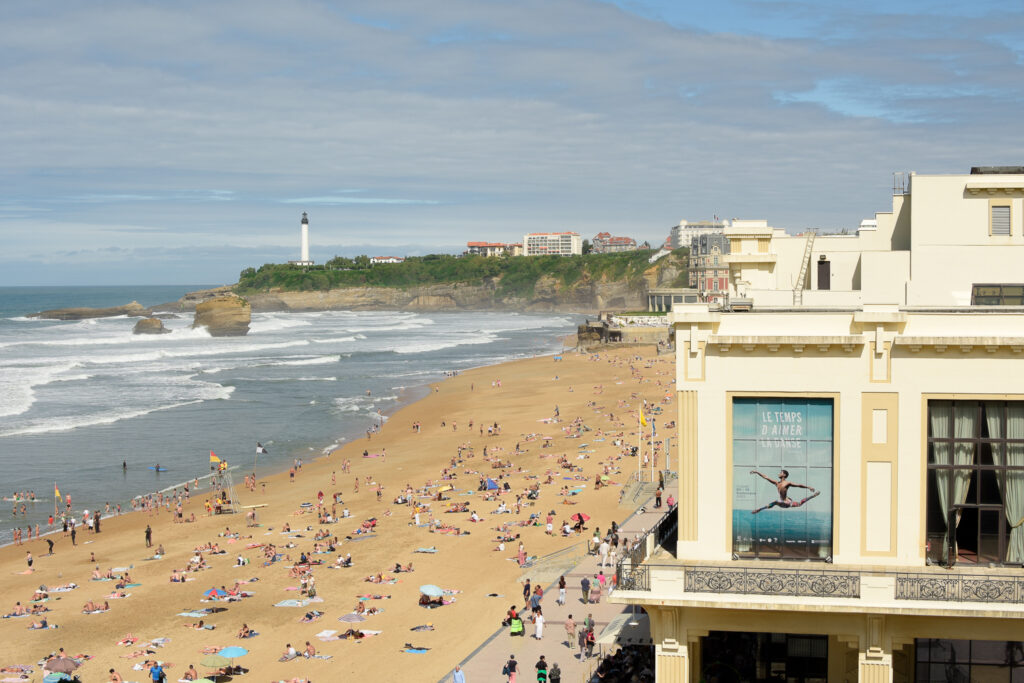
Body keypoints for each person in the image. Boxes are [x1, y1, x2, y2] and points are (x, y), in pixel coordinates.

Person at [750, 469, 819, 513]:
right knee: (776, 502)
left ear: (784, 475)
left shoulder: (787, 483)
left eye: (780, 472)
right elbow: (766, 477)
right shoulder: (776, 483)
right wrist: (756, 472)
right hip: (781, 503)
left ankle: (813, 495)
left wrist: (809, 487)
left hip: (787, 503)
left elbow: (799, 485)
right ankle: (759, 509)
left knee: (799, 504)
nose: (778, 474)